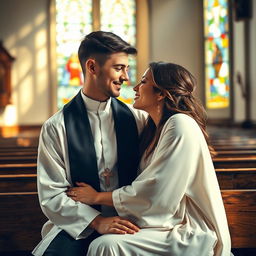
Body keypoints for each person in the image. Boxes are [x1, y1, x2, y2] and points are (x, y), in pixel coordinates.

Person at [67, 62, 233, 256]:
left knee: (106, 245)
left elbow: (157, 191)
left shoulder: (181, 124)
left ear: (161, 93)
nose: (135, 87)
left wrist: (97, 197)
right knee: (101, 241)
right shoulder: (153, 128)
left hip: (188, 230)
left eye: (143, 82)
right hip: (166, 223)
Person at [32, 31, 147, 256]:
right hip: (78, 224)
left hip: (131, 221)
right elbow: (51, 195)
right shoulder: (57, 127)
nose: (126, 76)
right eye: (119, 68)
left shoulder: (137, 119)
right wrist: (97, 221)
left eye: (127, 68)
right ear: (92, 67)